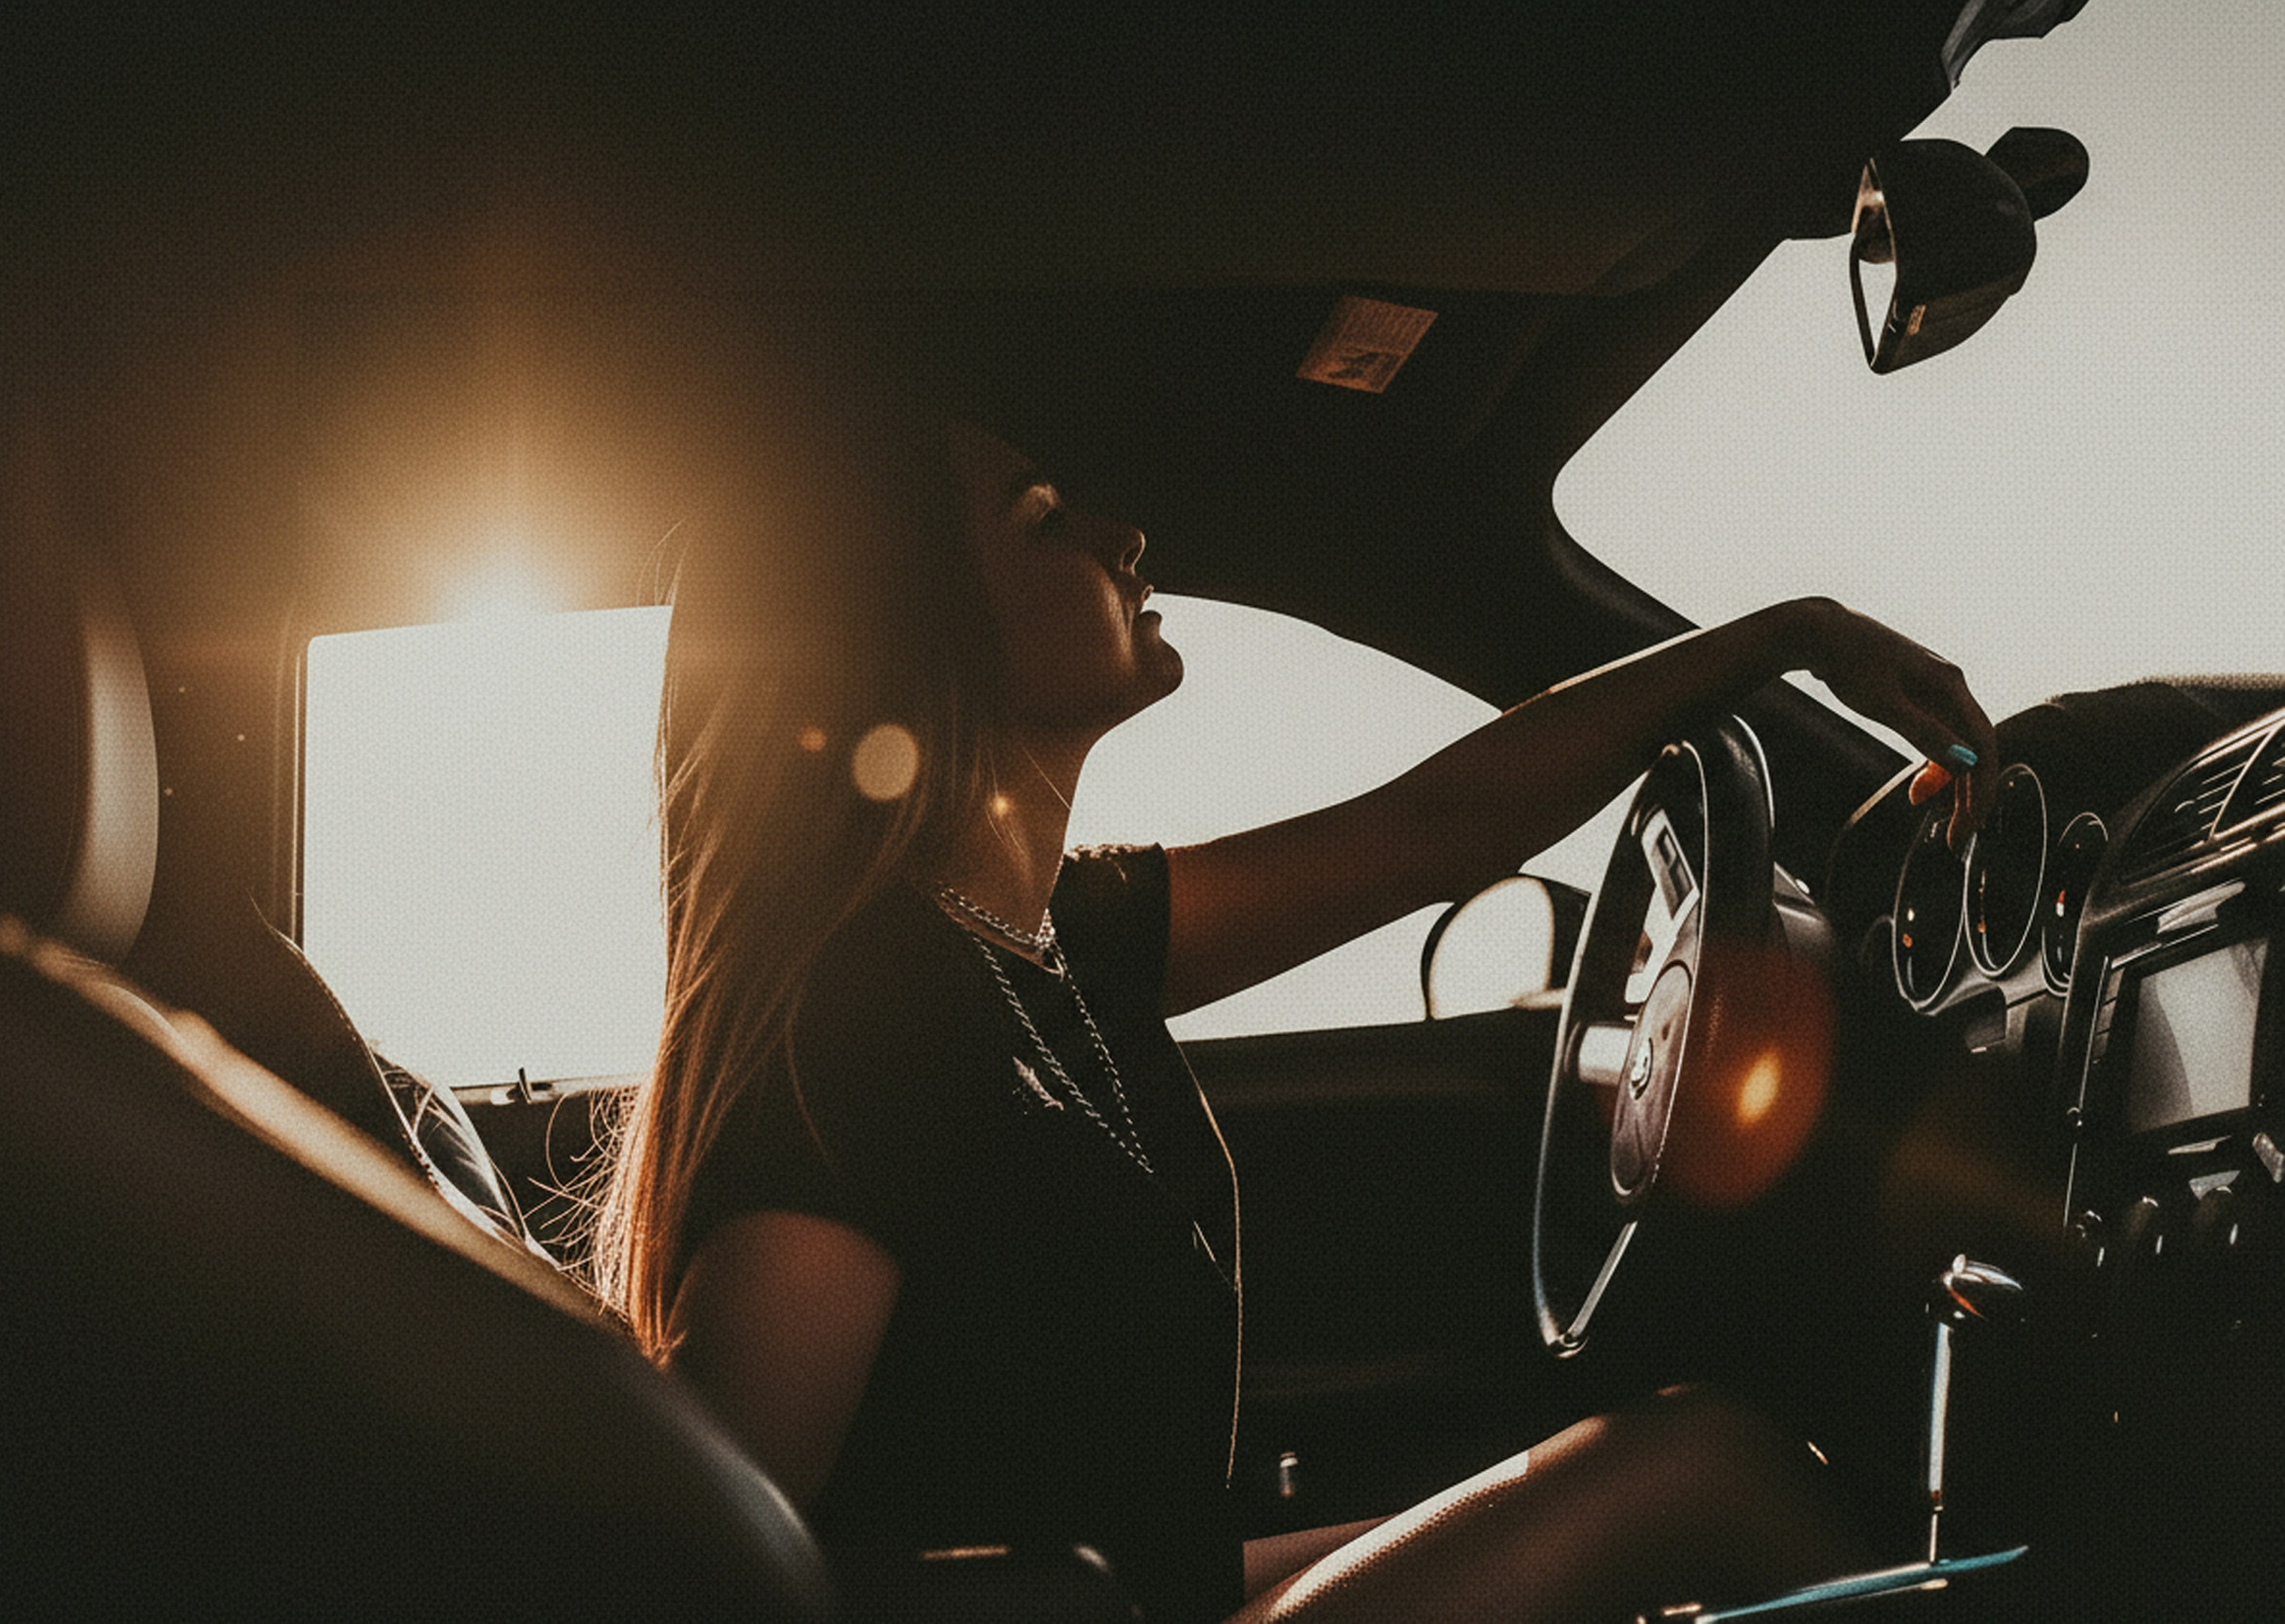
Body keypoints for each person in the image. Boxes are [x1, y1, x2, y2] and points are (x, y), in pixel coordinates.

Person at [591, 369, 1997, 1622]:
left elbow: (1433, 831)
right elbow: (717, 1558)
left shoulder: (1055, 940)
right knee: (1706, 1474)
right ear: (900, 621)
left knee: (1649, 1483)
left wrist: (1778, 641)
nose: (1120, 538)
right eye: (1038, 520)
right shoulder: (865, 1013)